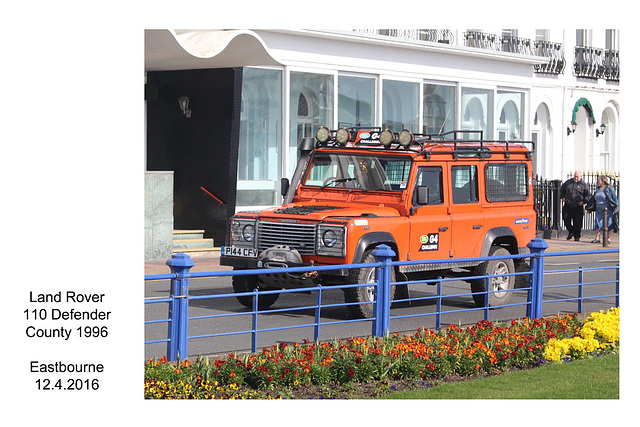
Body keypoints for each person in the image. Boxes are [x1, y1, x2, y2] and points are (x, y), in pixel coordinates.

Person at [587, 175, 619, 244]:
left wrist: (616, 208)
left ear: (603, 180)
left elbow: (615, 199)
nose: (598, 181)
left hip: (607, 208)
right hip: (598, 208)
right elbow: (594, 199)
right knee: (597, 222)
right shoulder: (598, 189)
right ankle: (597, 238)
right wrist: (590, 208)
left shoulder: (609, 189)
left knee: (607, 223)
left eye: (599, 180)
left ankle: (608, 238)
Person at [559, 171, 590, 241]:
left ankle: (577, 236)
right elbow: (562, 190)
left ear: (581, 177)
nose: (576, 178)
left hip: (578, 205)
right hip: (568, 204)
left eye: (577, 177)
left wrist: (583, 201)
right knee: (566, 219)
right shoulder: (568, 183)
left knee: (577, 222)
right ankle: (571, 231)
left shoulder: (584, 185)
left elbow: (588, 195)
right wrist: (563, 197)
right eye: (575, 176)